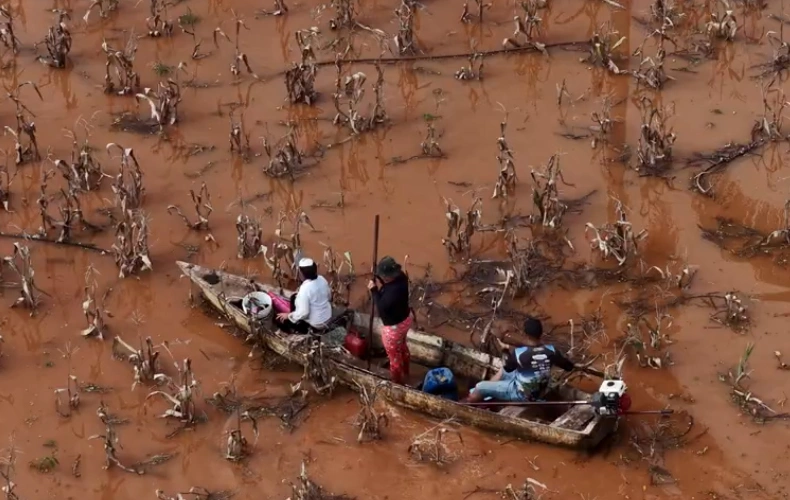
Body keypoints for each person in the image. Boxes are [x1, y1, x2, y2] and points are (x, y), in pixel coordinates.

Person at [464, 316, 575, 403]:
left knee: (480, 386)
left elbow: (508, 368)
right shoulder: (552, 350)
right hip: (540, 392)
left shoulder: (519, 353)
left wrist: (505, 350)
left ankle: (466, 404)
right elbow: (569, 367)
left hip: (521, 394)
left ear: (525, 334)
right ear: (541, 334)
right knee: (503, 371)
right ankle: (489, 392)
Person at [367, 256, 412, 384]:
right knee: (402, 346)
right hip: (406, 320)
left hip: (394, 328)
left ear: (388, 277)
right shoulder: (401, 277)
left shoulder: (391, 294)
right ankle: (406, 371)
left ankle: (397, 382)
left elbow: (381, 308)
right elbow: (386, 282)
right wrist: (378, 276)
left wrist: (374, 290)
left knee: (394, 357)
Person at [274, 258, 332, 334]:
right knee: (294, 297)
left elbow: (304, 313)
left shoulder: (305, 289)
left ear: (301, 274)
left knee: (278, 319)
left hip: (316, 324)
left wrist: (288, 315)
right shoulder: (322, 279)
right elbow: (329, 297)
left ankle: (293, 331)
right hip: (328, 316)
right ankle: (295, 316)